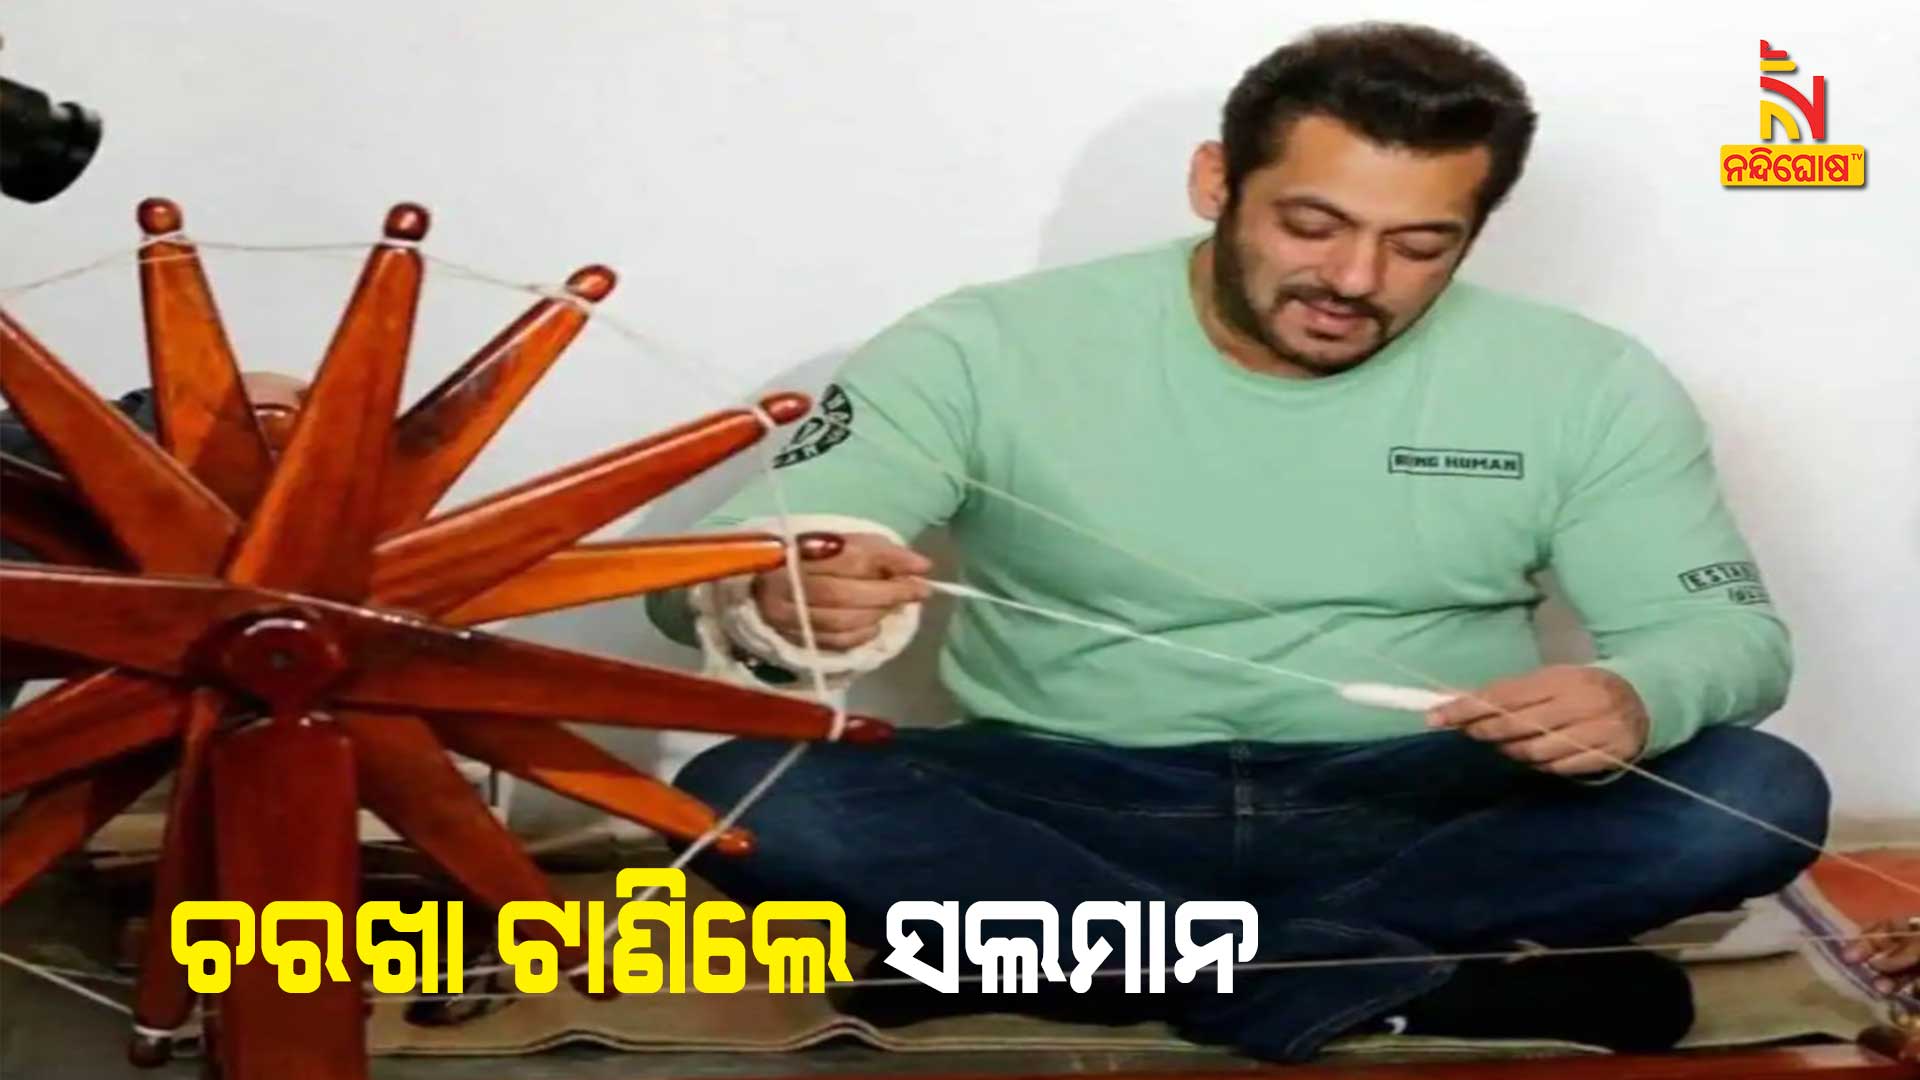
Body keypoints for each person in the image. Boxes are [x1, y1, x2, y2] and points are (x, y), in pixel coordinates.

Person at [646, 21, 1831, 1061]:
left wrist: (1634, 694)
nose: (1355, 278)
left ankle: (1081, 961)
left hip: (1428, 802)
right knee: (747, 797)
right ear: (1215, 180)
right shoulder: (983, 345)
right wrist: (779, 596)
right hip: (1066, 793)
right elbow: (722, 560)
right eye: (1312, 224)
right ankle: (1379, 979)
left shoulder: (1587, 380)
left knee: (1752, 794)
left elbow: (1724, 634)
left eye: (1421, 245)